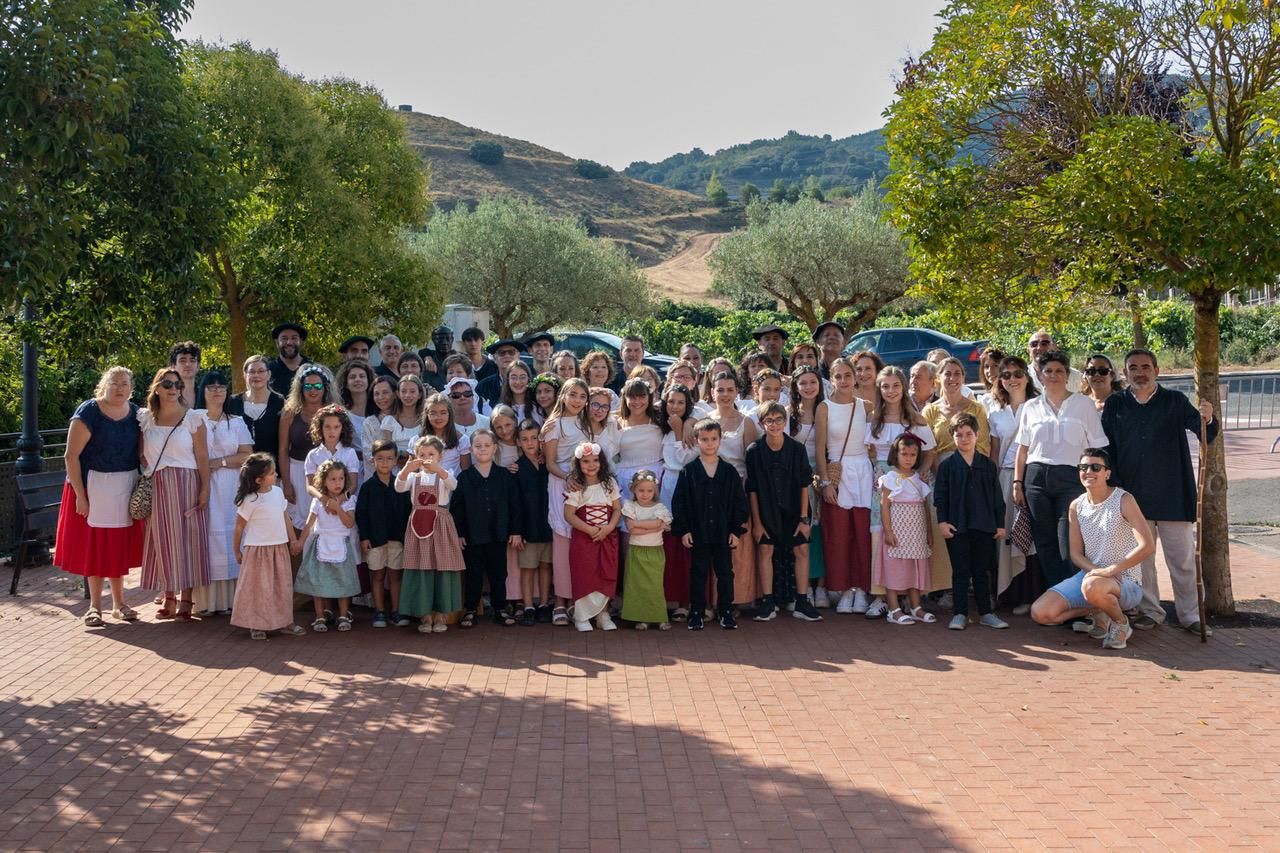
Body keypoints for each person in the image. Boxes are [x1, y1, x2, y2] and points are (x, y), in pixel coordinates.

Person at [1101, 348, 1217, 635]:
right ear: (1125, 373)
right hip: (1133, 497)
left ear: (1156, 370)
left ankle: (1190, 615)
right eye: (1133, 367)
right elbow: (1106, 447)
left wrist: (1208, 418)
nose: (1139, 372)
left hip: (1173, 494)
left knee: (1182, 560)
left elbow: (1207, 435)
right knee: (1143, 562)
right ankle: (1151, 611)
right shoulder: (1116, 404)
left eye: (1145, 367)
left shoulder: (1175, 401)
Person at [1030, 448, 1156, 650]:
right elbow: (1075, 554)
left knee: (1092, 586)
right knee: (1041, 613)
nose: (1089, 471)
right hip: (1090, 577)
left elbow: (1147, 546)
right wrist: (1096, 571)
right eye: (1083, 467)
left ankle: (1121, 624)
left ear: (1107, 473)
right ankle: (1098, 610)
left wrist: (1111, 570)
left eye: (1095, 467)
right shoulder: (1076, 506)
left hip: (1125, 580)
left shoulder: (1124, 500)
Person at [54, 366, 146, 625]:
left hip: (124, 486)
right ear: (104, 384)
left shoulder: (137, 413)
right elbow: (71, 456)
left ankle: (120, 604)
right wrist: (80, 496)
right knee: (95, 547)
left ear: (131, 388)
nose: (120, 388)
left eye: (125, 384)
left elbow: (142, 451)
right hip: (92, 487)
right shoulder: (89, 411)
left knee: (116, 545)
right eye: (114, 382)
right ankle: (95, 606)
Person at [1013, 351, 1109, 587]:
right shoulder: (1030, 407)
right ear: (1040, 375)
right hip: (1036, 479)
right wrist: (1017, 483)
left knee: (1068, 542)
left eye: (1059, 371)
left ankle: (1076, 600)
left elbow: (1098, 448)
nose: (1054, 375)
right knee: (1044, 543)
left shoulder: (1083, 405)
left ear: (1068, 375)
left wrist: (1097, 482)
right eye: (1048, 371)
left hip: (1071, 479)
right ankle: (1058, 598)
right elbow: (1023, 449)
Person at [138, 367, 210, 620]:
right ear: (156, 387)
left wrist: (204, 490)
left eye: (177, 385)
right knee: (163, 540)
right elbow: (140, 453)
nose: (173, 389)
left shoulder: (193, 418)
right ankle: (169, 594)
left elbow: (202, 456)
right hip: (158, 484)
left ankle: (187, 598)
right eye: (167, 384)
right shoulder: (145, 418)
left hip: (186, 482)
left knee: (187, 540)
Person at [865, 365, 937, 618]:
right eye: (885, 386)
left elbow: (929, 451)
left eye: (896, 385)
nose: (891, 391)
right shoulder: (874, 419)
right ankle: (881, 596)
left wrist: (922, 472)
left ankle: (911, 597)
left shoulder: (914, 419)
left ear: (904, 387)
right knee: (882, 534)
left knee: (910, 538)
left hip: (908, 483)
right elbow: (870, 452)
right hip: (881, 481)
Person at [671, 419, 750, 631]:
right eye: (704, 439)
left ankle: (725, 611)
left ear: (720, 440)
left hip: (723, 533)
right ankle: (696, 612)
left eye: (713, 439)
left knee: (725, 572)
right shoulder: (689, 471)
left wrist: (735, 530)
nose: (709, 443)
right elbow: (680, 503)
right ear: (697, 441)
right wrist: (684, 529)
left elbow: (739, 503)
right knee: (698, 572)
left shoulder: (729, 472)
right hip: (698, 532)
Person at [746, 401, 821, 622]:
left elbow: (803, 484)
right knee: (765, 552)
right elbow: (752, 489)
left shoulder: (796, 449)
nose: (775, 424)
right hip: (767, 511)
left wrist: (804, 518)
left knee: (802, 551)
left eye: (779, 420)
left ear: (785, 421)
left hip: (794, 511)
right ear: (762, 424)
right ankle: (768, 602)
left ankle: (801, 601)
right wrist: (757, 522)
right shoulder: (754, 451)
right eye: (769, 420)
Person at [935, 413, 1009, 631]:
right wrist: (942, 522)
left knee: (981, 571)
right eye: (959, 435)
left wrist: (999, 523)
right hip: (957, 526)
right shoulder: (947, 466)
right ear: (953, 437)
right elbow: (940, 496)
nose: (964, 439)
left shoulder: (987, 465)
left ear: (977, 435)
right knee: (960, 571)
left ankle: (986, 612)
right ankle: (960, 613)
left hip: (984, 525)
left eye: (969, 434)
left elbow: (997, 497)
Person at [815, 357, 874, 614]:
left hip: (863, 472)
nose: (843, 381)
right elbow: (819, 449)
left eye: (847, 375)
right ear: (832, 380)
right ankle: (842, 589)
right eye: (837, 376)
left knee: (862, 534)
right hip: (838, 473)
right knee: (838, 536)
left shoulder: (867, 407)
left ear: (855, 377)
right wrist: (826, 482)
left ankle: (860, 590)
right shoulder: (824, 407)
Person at [194, 371, 254, 616]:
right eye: (211, 387)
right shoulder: (194, 419)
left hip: (230, 486)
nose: (217, 391)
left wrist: (217, 462)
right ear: (203, 391)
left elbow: (247, 455)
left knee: (233, 534)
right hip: (202, 485)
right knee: (207, 537)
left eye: (222, 386)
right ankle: (206, 602)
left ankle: (233, 601)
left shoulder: (237, 421)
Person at [696, 371, 758, 608]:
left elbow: (751, 463)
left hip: (736, 492)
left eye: (729, 390)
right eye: (719, 390)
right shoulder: (704, 422)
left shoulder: (746, 422)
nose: (724, 394)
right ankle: (710, 602)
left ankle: (736, 600)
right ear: (712, 392)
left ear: (737, 393)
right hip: (708, 491)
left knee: (737, 549)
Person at [451, 429, 523, 628]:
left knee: (499, 573)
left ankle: (500, 608)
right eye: (478, 446)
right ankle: (471, 610)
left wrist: (515, 531)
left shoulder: (504, 476)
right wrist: (459, 533)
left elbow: (514, 505)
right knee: (474, 574)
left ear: (495, 448)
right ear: (472, 449)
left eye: (487, 445)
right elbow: (457, 509)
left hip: (498, 534)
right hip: (474, 536)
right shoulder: (464, 478)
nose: (482, 449)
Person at [231, 453, 306, 640]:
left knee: (283, 587)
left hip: (279, 548)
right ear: (258, 479)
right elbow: (239, 526)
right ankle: (257, 625)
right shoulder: (249, 500)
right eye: (272, 473)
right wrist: (236, 550)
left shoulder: (278, 492)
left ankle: (286, 622)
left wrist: (293, 540)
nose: (276, 475)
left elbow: (285, 517)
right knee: (258, 589)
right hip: (257, 551)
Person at [987, 356, 1041, 613]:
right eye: (1005, 375)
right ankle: (1012, 594)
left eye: (1017, 373)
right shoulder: (996, 411)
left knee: (1033, 539)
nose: (1012, 379)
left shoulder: (1039, 405)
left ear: (1027, 376)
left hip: (1035, 477)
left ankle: (1034, 595)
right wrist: (993, 484)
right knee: (1009, 536)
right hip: (1006, 478)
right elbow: (995, 452)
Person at [396, 435, 466, 633]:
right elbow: (399, 487)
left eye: (431, 454)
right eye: (422, 454)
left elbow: (453, 485)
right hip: (418, 528)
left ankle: (441, 615)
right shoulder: (413, 477)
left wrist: (440, 471)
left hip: (441, 527)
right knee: (421, 566)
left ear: (440, 456)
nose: (427, 458)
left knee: (442, 566)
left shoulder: (445, 474)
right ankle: (424, 615)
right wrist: (406, 469)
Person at [542, 378, 590, 626]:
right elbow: (549, 463)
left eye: (583, 396)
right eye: (573, 395)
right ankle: (560, 602)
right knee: (562, 545)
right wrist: (568, 477)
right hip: (561, 484)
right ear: (563, 395)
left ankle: (577, 601)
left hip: (585, 486)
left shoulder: (587, 422)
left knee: (581, 545)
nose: (578, 401)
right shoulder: (553, 425)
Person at [563, 442, 623, 631]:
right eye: (586, 461)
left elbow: (617, 509)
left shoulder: (609, 483)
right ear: (578, 464)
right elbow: (569, 514)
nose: (591, 465)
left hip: (607, 537)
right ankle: (581, 616)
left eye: (595, 460)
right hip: (584, 539)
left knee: (606, 573)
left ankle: (603, 614)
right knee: (585, 574)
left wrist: (609, 527)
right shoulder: (577, 486)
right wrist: (589, 530)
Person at [296, 459, 360, 632]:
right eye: (333, 479)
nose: (337, 483)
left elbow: (349, 523)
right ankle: (320, 616)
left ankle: (343, 614)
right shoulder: (317, 502)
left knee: (343, 580)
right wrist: (300, 542)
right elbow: (309, 525)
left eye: (340, 479)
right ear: (323, 481)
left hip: (341, 545)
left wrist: (338, 508)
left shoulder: (349, 501)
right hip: (321, 545)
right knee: (318, 580)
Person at [877, 433, 934, 625]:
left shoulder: (919, 479)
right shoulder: (889, 478)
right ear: (896, 454)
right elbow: (884, 505)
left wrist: (928, 532)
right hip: (897, 532)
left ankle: (915, 606)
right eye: (904, 454)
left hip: (916, 533)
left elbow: (925, 506)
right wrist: (889, 531)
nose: (908, 458)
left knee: (914, 567)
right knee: (894, 568)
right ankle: (894, 609)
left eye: (913, 454)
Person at [358, 439, 412, 629]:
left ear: (396, 460)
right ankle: (379, 611)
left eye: (389, 458)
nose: (384, 463)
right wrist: (364, 537)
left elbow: (408, 512)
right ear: (372, 460)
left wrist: (407, 537)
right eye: (380, 458)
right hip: (374, 540)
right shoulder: (367, 487)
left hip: (396, 538)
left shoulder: (401, 486)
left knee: (396, 575)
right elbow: (361, 514)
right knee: (378, 575)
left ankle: (397, 611)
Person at [788, 365, 827, 608]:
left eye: (813, 382)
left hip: (821, 475)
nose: (808, 387)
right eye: (803, 383)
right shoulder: (788, 414)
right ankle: (801, 587)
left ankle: (820, 586)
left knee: (820, 531)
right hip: (797, 480)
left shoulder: (828, 410)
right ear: (795, 386)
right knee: (801, 531)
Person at [278, 365, 336, 529]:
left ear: (325, 388)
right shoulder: (289, 413)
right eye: (308, 386)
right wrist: (287, 484)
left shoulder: (333, 413)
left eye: (317, 386)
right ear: (300, 388)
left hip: (326, 475)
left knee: (325, 523)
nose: (313, 390)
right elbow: (283, 449)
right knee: (298, 526)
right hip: (297, 475)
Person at [658, 383, 697, 620]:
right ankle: (665, 598)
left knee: (685, 544)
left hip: (685, 485)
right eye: (671, 401)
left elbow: (685, 458)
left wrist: (681, 429)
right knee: (667, 544)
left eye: (681, 402)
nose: (675, 406)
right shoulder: (662, 426)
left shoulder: (691, 426)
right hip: (665, 486)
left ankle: (686, 601)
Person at [621, 470, 673, 630]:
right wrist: (657, 526)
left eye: (649, 491)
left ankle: (659, 617)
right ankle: (641, 618)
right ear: (634, 490)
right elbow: (632, 529)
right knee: (637, 585)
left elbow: (661, 524)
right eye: (641, 490)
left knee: (654, 586)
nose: (645, 494)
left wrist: (640, 524)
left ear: (655, 491)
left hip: (655, 551)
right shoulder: (630, 506)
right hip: (636, 551)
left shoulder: (660, 507)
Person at [514, 419, 554, 624]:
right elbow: (514, 503)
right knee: (528, 568)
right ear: (518, 442)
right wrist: (516, 531)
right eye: (524, 439)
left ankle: (545, 604)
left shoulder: (547, 464)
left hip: (547, 525)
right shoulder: (516, 469)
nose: (530, 443)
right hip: (527, 527)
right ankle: (529, 605)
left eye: (534, 438)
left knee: (546, 565)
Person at [923, 358, 991, 472]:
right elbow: (928, 448)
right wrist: (941, 475)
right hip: (939, 471)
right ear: (939, 378)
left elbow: (983, 446)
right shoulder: (930, 411)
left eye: (957, 374)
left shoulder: (976, 409)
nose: (952, 378)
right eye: (947, 374)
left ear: (963, 378)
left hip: (972, 470)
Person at [226, 355, 285, 464]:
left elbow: (285, 444)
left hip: (271, 472)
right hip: (237, 471)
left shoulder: (280, 403)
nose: (256, 375)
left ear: (269, 374)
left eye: (261, 371)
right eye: (252, 372)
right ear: (245, 375)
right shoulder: (232, 402)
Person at [614, 378, 663, 503]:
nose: (637, 402)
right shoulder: (616, 421)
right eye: (632, 397)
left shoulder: (659, 418)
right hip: (625, 479)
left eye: (642, 397)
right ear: (625, 398)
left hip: (656, 476)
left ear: (649, 397)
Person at [304, 405, 361, 494]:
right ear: (320, 428)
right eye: (327, 427)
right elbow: (310, 487)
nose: (332, 431)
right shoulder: (313, 455)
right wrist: (325, 500)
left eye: (336, 427)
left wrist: (340, 500)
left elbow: (353, 485)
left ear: (342, 428)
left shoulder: (350, 453)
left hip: (344, 505)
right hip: (321, 504)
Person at [422, 392, 472, 476]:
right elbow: (413, 473)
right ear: (427, 415)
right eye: (433, 413)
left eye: (443, 412)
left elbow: (466, 473)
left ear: (450, 414)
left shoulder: (461, 440)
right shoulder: (417, 440)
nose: (438, 417)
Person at [334, 359, 375, 453]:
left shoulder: (379, 409)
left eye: (362, 376)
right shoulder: (341, 414)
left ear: (368, 381)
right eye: (352, 377)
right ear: (346, 384)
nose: (357, 379)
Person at [380, 375, 426, 457]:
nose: (407, 395)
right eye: (403, 391)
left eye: (412, 391)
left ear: (419, 394)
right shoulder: (389, 421)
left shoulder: (426, 420)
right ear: (398, 394)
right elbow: (386, 452)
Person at [361, 375, 398, 469]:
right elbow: (369, 454)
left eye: (385, 392)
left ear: (395, 394)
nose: (380, 397)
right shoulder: (369, 422)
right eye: (376, 394)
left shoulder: (404, 418)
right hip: (377, 478)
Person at [476, 338, 526, 406]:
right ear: (494, 358)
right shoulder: (483, 386)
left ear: (518, 356)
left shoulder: (528, 384)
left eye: (511, 352)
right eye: (501, 353)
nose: (507, 355)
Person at [267, 323, 308, 396]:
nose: (289, 342)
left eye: (294, 338)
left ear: (301, 341)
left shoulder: (313, 368)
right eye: (284, 338)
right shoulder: (267, 370)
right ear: (277, 342)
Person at [168, 341, 201, 408]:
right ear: (173, 366)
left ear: (198, 366)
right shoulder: (166, 394)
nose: (188, 364)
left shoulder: (206, 395)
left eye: (192, 360)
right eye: (182, 361)